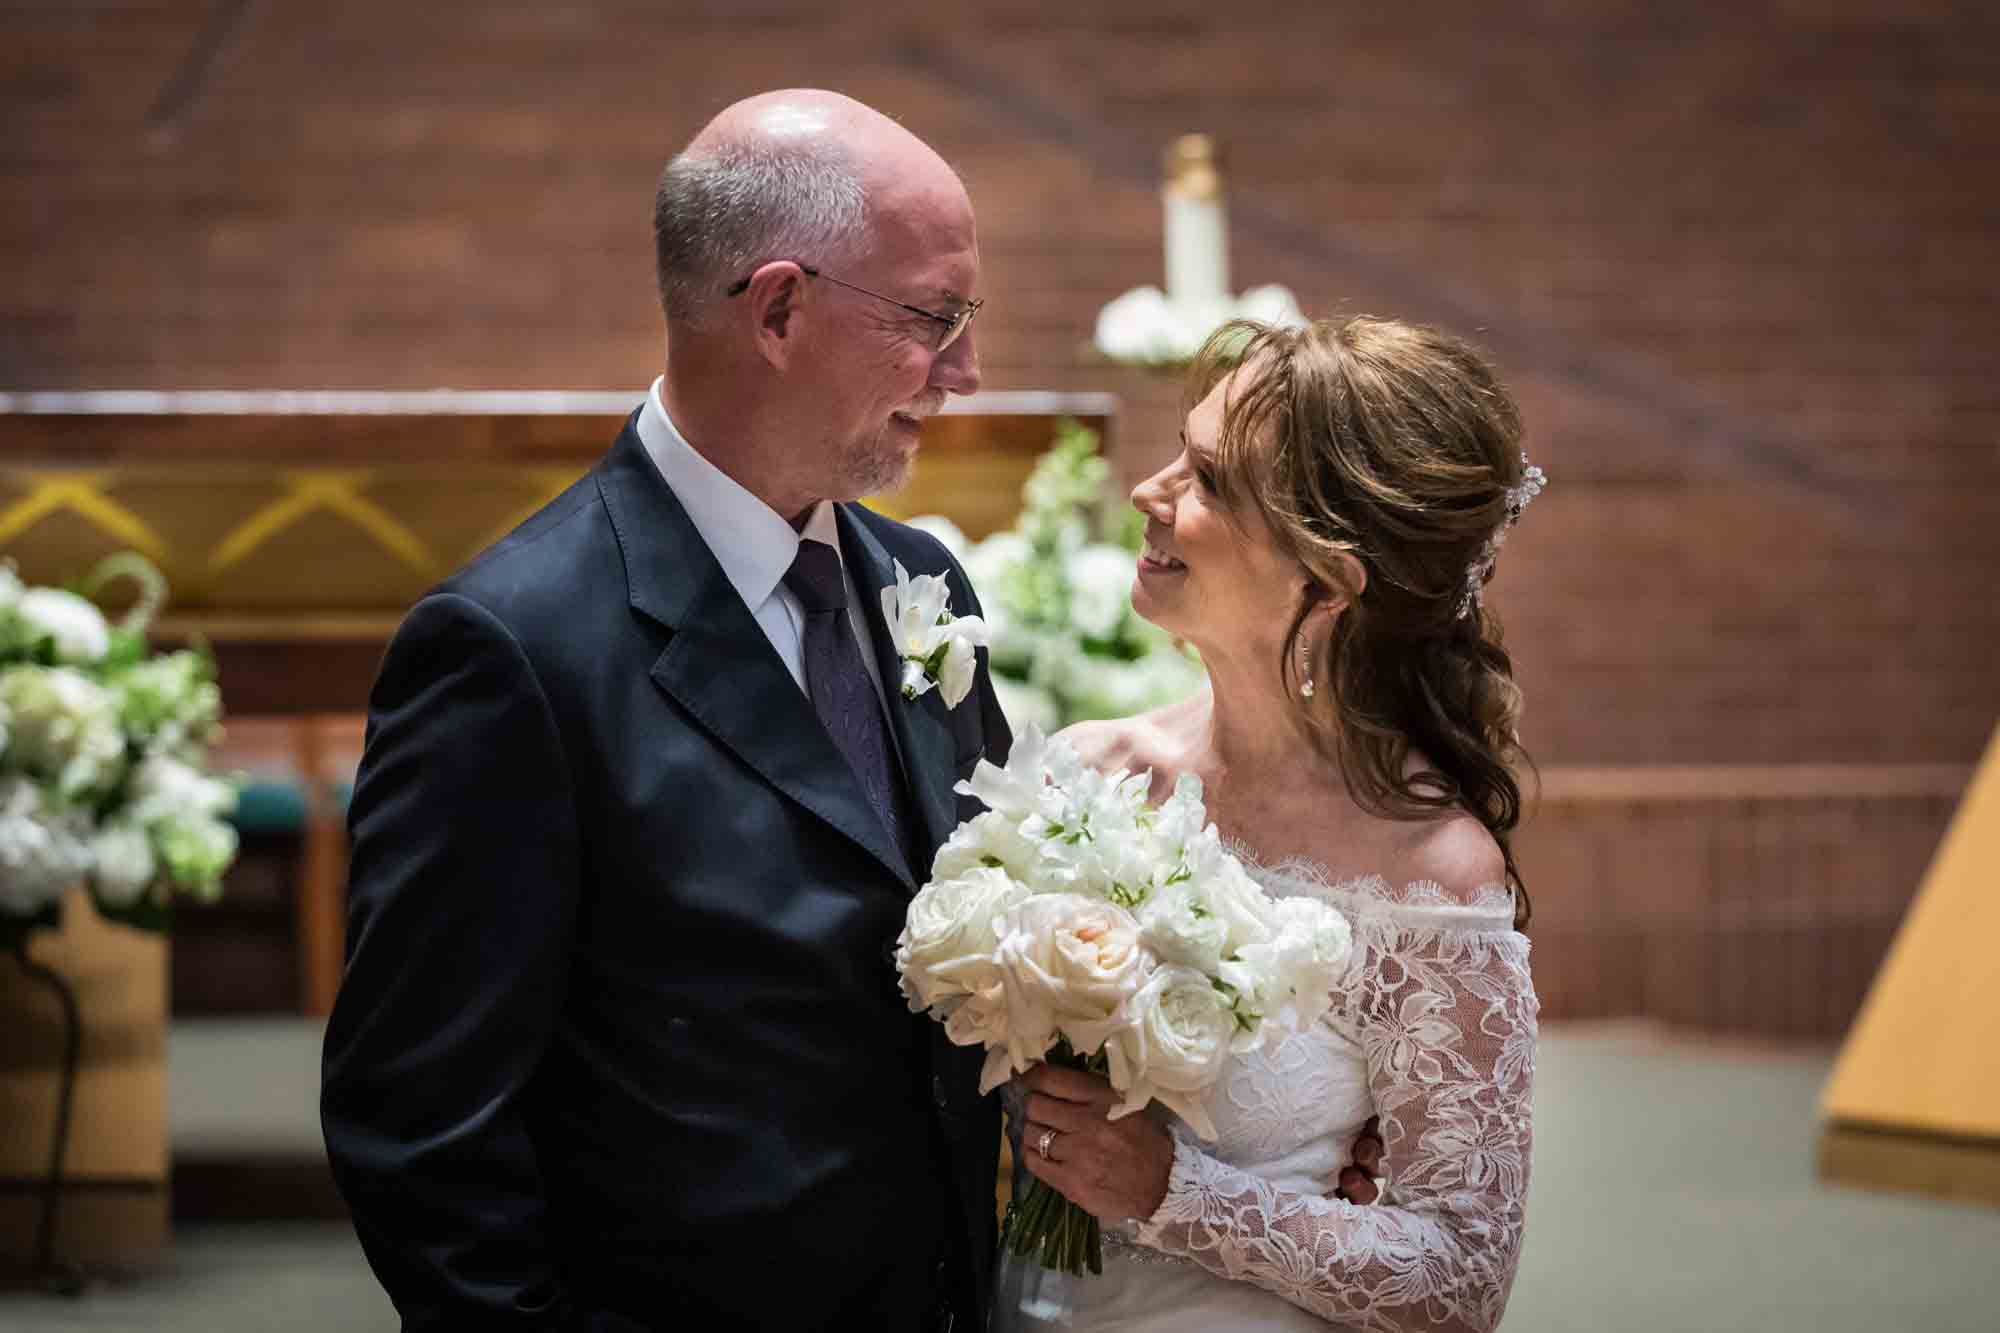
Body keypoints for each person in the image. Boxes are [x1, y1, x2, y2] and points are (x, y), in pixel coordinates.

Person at [320, 90, 1013, 1331]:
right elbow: (420, 1127)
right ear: (781, 308)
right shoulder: (512, 649)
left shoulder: (922, 585)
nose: (965, 370)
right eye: (931, 318)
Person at [1009, 316, 1541, 1331]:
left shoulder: (1427, 874)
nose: (1146, 492)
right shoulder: (1084, 773)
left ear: (1328, 578)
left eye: (1207, 480)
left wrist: (1174, 1193)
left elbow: (1459, 1276)